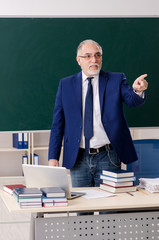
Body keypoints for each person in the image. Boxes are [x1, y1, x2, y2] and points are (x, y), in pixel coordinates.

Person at [48, 39, 148, 188]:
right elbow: (58, 124)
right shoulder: (66, 85)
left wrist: (138, 90)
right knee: (82, 208)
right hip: (78, 157)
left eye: (97, 55)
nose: (94, 60)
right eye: (87, 56)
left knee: (109, 208)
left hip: (108, 155)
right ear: (78, 60)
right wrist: (53, 157)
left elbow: (132, 100)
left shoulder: (116, 79)